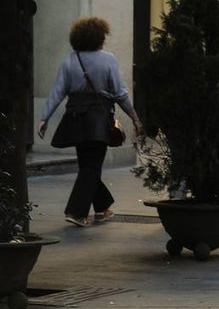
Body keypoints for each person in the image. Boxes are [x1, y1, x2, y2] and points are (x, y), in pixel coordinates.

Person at [38, 17, 143, 227]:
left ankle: (103, 209)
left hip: (75, 119)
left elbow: (57, 92)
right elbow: (119, 93)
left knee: (88, 165)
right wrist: (134, 116)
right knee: (91, 167)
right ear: (99, 37)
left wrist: (44, 118)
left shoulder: (70, 60)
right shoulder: (108, 60)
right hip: (98, 119)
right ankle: (76, 212)